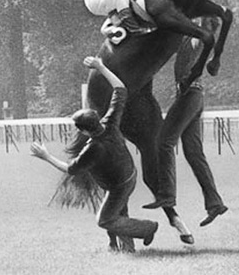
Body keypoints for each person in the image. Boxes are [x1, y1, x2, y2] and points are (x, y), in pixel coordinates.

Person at [31, 56, 158, 252]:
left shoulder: (93, 149)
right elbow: (120, 89)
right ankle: (127, 248)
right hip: (128, 175)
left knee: (105, 219)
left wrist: (45, 156)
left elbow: (71, 169)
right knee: (118, 212)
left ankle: (148, 228)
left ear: (84, 131)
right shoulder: (110, 121)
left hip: (118, 185)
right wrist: (100, 67)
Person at [143, 0, 228, 226]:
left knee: (163, 141)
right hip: (195, 96)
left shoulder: (200, 35)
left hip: (190, 95)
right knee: (193, 152)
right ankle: (215, 203)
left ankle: (167, 195)